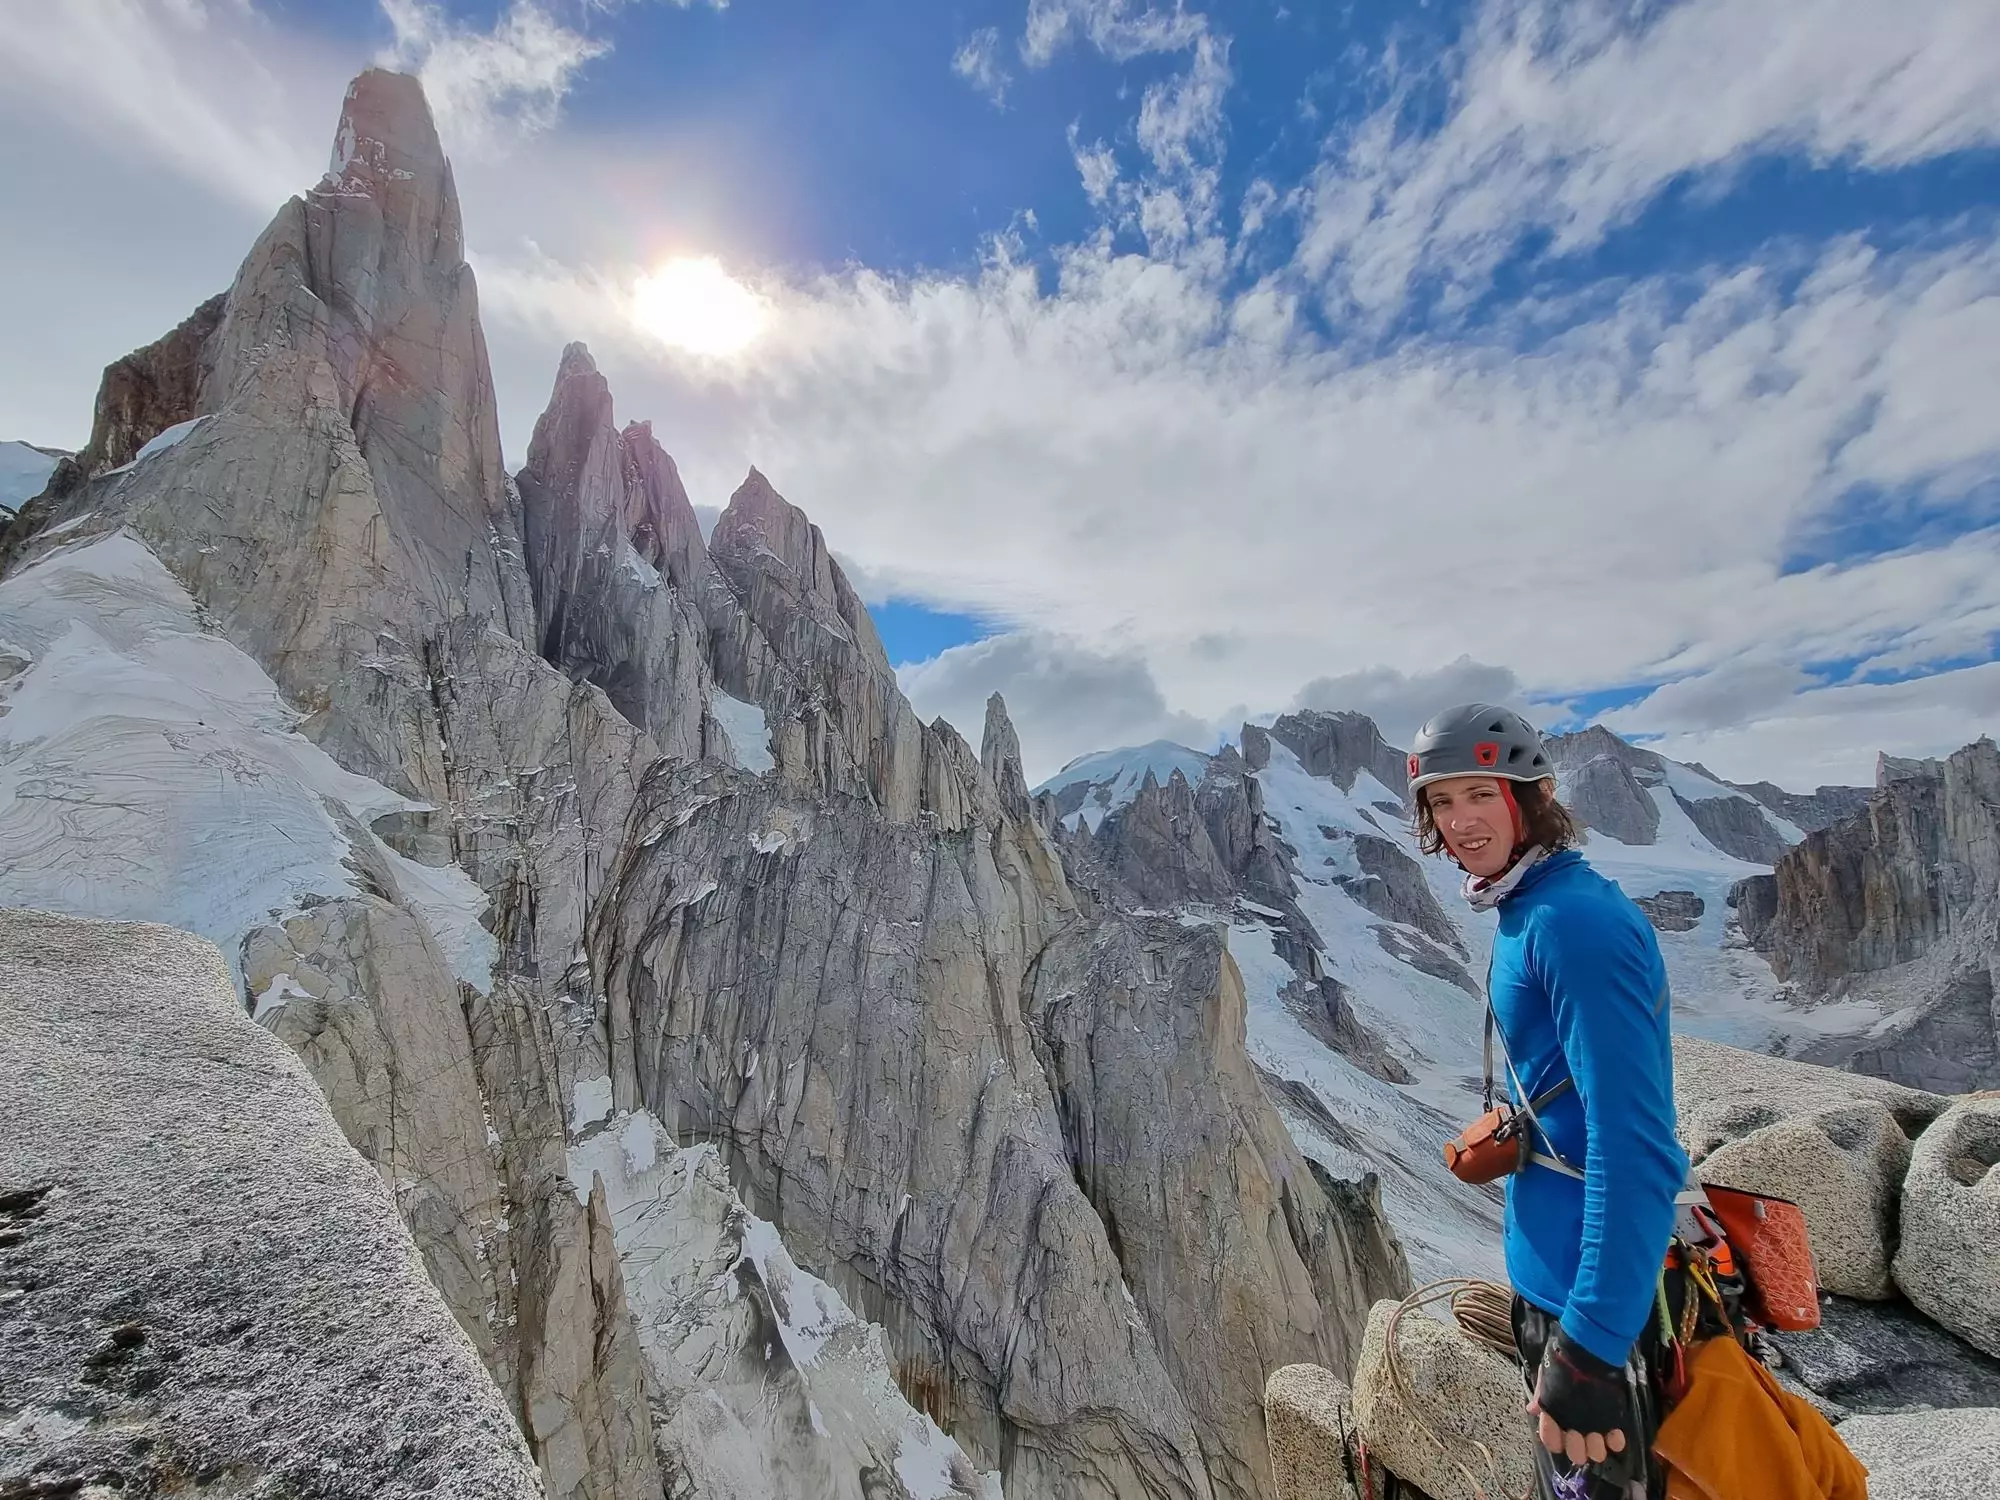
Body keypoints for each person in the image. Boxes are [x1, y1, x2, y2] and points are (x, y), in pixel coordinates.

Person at [1408, 704, 1688, 1500]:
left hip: (1598, 1311)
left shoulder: (1573, 925)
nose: (1459, 822)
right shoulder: (1527, 906)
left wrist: (1591, 1351)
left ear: (1529, 796)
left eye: (1478, 795)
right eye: (1441, 802)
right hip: (1557, 1290)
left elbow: (1634, 1146)